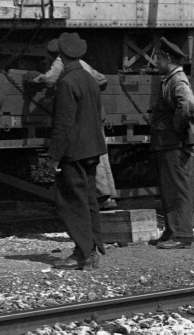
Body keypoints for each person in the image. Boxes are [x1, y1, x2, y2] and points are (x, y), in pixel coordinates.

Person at [27, 39, 118, 210]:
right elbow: (102, 80)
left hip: (82, 117)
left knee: (87, 154)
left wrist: (33, 81)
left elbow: (49, 79)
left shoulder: (60, 62)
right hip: (97, 114)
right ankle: (109, 194)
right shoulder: (83, 63)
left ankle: (101, 197)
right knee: (100, 155)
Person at [45, 32, 107, 270]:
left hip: (74, 152)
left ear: (60, 56)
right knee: (89, 200)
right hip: (92, 149)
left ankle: (83, 252)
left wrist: (54, 157)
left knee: (71, 202)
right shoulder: (89, 79)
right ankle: (93, 250)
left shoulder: (67, 82)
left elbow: (63, 124)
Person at [149, 38, 194, 248]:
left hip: (175, 144)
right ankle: (172, 231)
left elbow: (187, 104)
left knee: (178, 189)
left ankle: (182, 235)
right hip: (167, 143)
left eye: (158, 58)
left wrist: (175, 127)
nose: (155, 63)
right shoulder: (169, 79)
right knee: (169, 189)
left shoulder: (177, 80)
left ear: (168, 58)